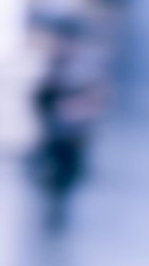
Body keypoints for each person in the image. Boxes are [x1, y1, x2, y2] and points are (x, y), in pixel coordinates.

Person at [33, 43, 105, 232]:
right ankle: (55, 196)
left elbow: (94, 98)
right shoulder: (55, 68)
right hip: (59, 129)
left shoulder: (84, 68)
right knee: (58, 164)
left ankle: (59, 199)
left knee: (67, 168)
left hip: (73, 132)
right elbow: (42, 96)